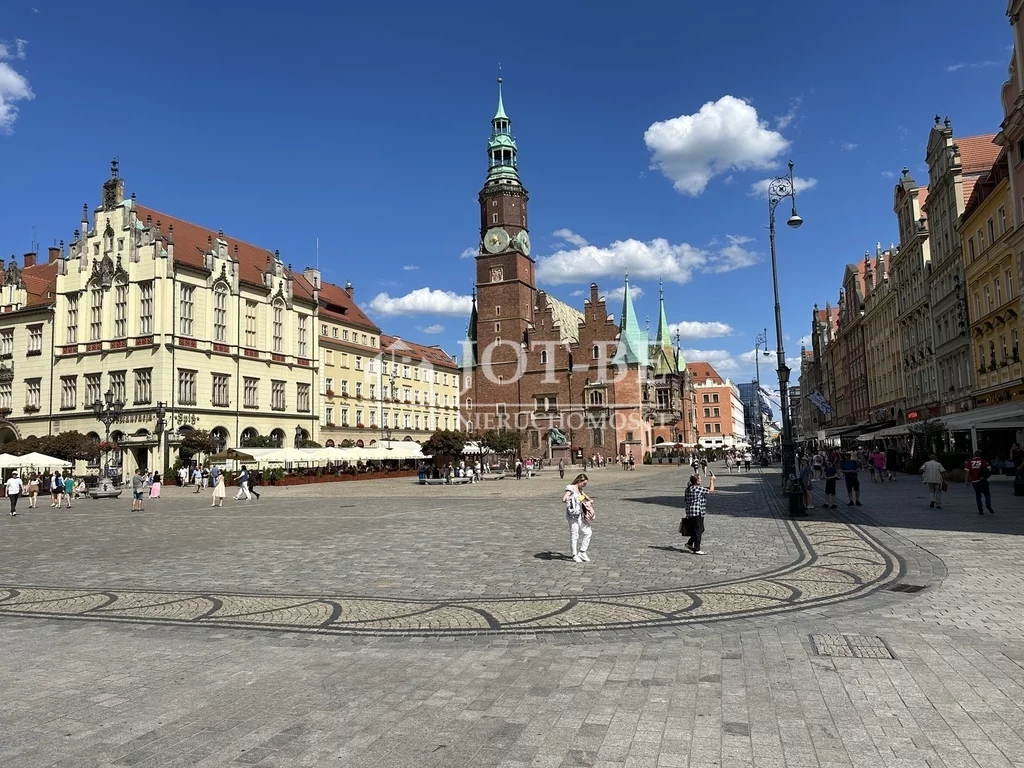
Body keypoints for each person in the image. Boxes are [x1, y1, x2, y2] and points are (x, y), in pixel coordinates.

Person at [681, 472, 715, 555]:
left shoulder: (688, 488)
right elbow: (711, 490)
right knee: (698, 530)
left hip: (690, 512)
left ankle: (689, 543)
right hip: (697, 512)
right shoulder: (698, 488)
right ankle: (697, 549)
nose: (701, 479)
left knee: (700, 529)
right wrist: (712, 480)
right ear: (696, 481)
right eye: (699, 478)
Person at [562, 473, 592, 563]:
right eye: (584, 483)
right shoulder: (571, 488)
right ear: (579, 481)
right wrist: (572, 501)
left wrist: (588, 501)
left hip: (580, 513)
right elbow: (564, 499)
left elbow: (584, 498)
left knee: (588, 532)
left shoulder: (580, 489)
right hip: (572, 514)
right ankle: (574, 554)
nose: (585, 485)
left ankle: (582, 552)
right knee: (575, 534)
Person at [965, 450, 995, 515]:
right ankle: (988, 505)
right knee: (987, 494)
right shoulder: (983, 461)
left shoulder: (970, 462)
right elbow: (989, 469)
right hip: (983, 480)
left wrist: (966, 481)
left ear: (974, 455)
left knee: (978, 496)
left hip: (975, 481)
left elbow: (967, 472)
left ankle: (980, 510)